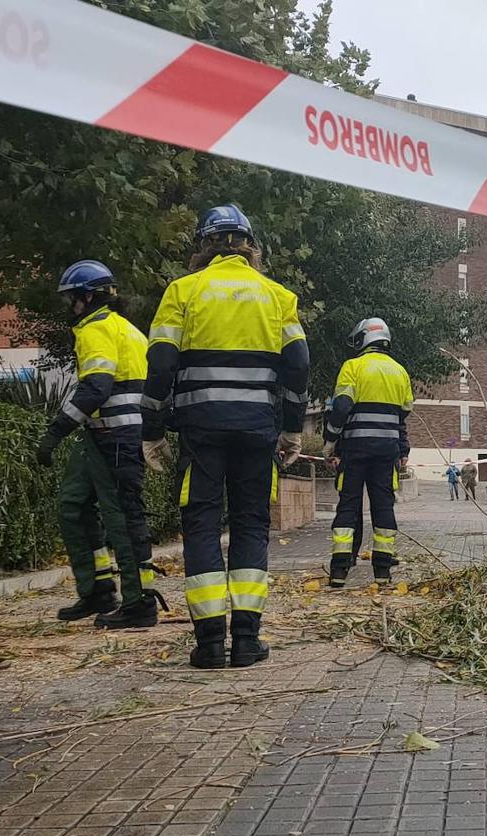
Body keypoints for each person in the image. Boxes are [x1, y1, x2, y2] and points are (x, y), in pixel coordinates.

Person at [140, 204, 309, 669]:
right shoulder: (278, 297)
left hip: (201, 432)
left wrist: (152, 430)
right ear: (250, 247)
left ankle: (210, 643)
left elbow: (159, 366)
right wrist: (292, 428)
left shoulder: (183, 291)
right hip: (257, 431)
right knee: (252, 525)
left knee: (201, 524)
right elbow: (298, 365)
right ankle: (248, 641)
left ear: (203, 247)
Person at [36, 260, 161, 628]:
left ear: (86, 297)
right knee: (73, 505)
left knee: (122, 519)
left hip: (113, 437)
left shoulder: (95, 329)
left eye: (71, 299)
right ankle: (98, 590)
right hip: (103, 435)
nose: (69, 307)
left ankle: (139, 603)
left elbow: (96, 387)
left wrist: (56, 430)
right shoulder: (127, 329)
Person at [323, 318, 413, 588]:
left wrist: (330, 440)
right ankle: (383, 571)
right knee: (383, 506)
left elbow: (341, 407)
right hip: (387, 452)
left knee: (348, 505)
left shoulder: (352, 367)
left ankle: (339, 570)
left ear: (364, 338)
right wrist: (402, 449)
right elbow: (403, 414)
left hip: (355, 449)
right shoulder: (400, 371)